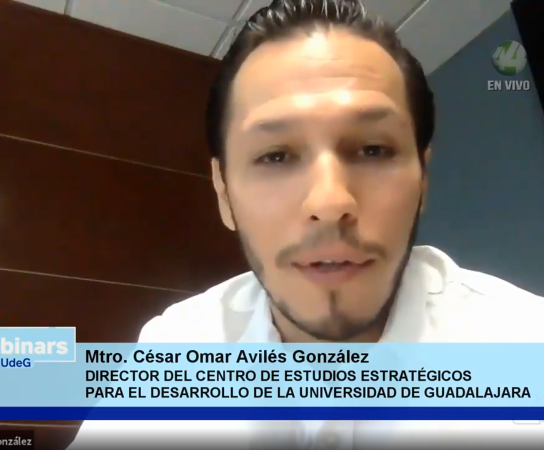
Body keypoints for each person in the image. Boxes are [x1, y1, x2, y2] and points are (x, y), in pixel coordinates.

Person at [69, 0, 544, 448]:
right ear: (224, 192)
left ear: (422, 180)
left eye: (373, 149)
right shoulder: (174, 348)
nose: (330, 201)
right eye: (275, 156)